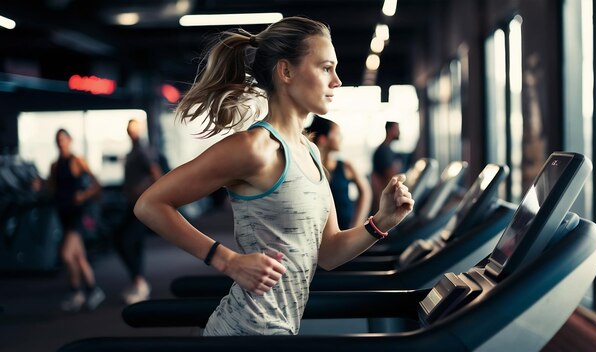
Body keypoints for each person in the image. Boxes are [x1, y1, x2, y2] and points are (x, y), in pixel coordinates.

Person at [134, 16, 414, 336]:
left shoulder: (309, 152)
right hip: (245, 332)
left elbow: (330, 252)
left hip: (281, 332)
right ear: (286, 71)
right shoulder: (255, 148)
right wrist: (226, 260)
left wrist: (382, 221)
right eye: (325, 68)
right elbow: (150, 204)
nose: (336, 81)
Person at [48, 128, 105, 312]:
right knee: (79, 258)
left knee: (66, 255)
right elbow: (50, 189)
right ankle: (93, 290)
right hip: (63, 214)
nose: (61, 142)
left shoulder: (77, 160)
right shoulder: (55, 165)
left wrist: (84, 195)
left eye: (63, 138)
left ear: (70, 140)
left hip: (77, 215)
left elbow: (97, 185)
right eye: (58, 139)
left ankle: (76, 292)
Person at [113, 119, 162, 305]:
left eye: (134, 129)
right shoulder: (133, 151)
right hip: (131, 205)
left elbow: (156, 175)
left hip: (141, 206)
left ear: (140, 131)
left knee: (126, 241)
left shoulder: (143, 150)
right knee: (124, 240)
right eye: (129, 129)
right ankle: (138, 281)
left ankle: (140, 283)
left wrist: (150, 195)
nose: (132, 132)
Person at [305, 115, 372, 229]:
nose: (341, 138)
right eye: (337, 134)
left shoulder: (345, 166)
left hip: (345, 228)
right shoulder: (308, 166)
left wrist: (357, 226)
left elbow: (365, 192)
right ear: (323, 139)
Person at [370, 121, 403, 214]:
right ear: (389, 130)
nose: (399, 132)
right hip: (382, 197)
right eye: (396, 129)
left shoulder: (388, 150)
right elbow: (392, 175)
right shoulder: (383, 151)